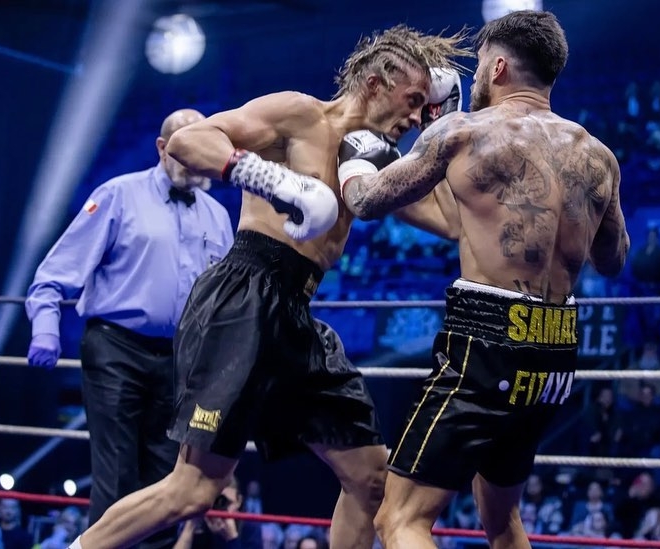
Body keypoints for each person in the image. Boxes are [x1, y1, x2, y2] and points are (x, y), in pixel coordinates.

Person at [70, 25, 470, 549]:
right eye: (414, 100)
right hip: (243, 298)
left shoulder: (372, 160)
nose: (418, 115)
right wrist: (270, 178)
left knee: (371, 482)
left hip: (298, 317)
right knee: (193, 489)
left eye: (426, 108)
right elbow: (191, 141)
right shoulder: (301, 115)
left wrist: (446, 133)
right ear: (377, 81)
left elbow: (451, 221)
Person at [338, 10, 629, 549]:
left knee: (400, 520)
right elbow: (613, 260)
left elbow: (366, 201)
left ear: (497, 67)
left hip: (484, 345)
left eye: (476, 69)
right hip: (556, 353)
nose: (472, 80)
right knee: (502, 520)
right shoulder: (598, 156)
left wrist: (354, 156)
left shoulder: (465, 131)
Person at [25, 108, 233, 548]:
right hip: (116, 350)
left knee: (166, 485)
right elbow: (55, 272)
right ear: (163, 147)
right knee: (117, 474)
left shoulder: (217, 215)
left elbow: (224, 301)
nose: (195, 160)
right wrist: (45, 325)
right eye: (185, 148)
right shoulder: (119, 194)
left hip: (181, 359)